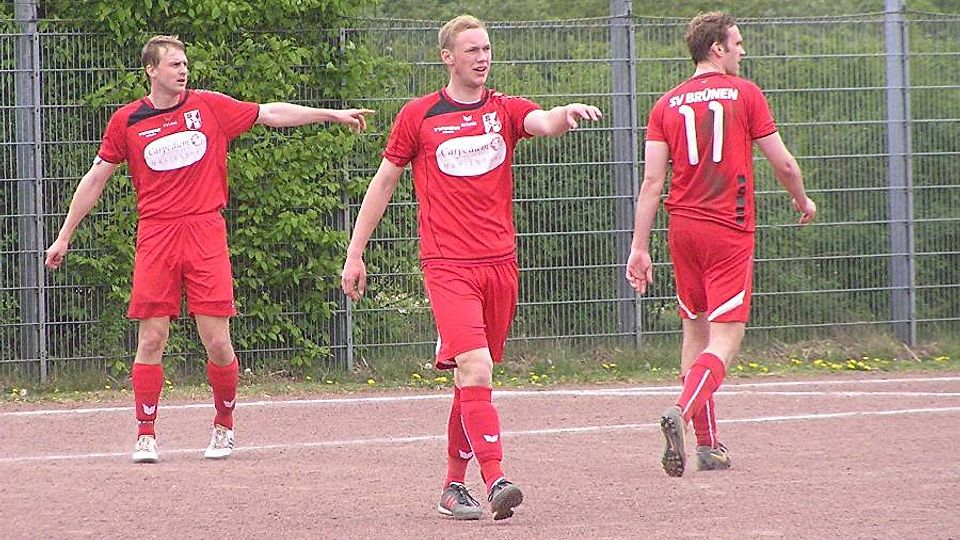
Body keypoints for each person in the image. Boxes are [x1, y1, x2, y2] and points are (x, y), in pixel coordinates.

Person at [45, 35, 373, 464]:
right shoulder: (127, 121)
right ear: (151, 70)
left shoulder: (208, 106)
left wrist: (331, 114)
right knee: (152, 337)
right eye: (174, 64)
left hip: (205, 231)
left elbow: (269, 113)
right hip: (157, 235)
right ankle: (145, 433)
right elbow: (96, 178)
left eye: (185, 64)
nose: (183, 71)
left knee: (217, 341)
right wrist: (65, 235)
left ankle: (224, 425)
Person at [340, 15, 601, 520]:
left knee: (471, 378)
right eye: (471, 50)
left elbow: (541, 121)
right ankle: (496, 476)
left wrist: (562, 115)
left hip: (500, 265)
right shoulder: (419, 116)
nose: (482, 58)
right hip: (448, 265)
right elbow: (384, 182)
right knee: (476, 367)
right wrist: (355, 252)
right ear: (448, 57)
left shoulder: (503, 109)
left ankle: (452, 487)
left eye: (486, 49)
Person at [625, 12, 816, 477]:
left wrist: (639, 247)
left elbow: (652, 183)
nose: (742, 51)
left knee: (695, 331)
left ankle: (709, 445)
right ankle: (682, 410)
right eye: (737, 43)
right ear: (717, 48)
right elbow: (784, 164)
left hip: (682, 230)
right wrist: (802, 199)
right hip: (728, 228)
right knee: (727, 335)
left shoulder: (665, 105)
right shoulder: (745, 94)